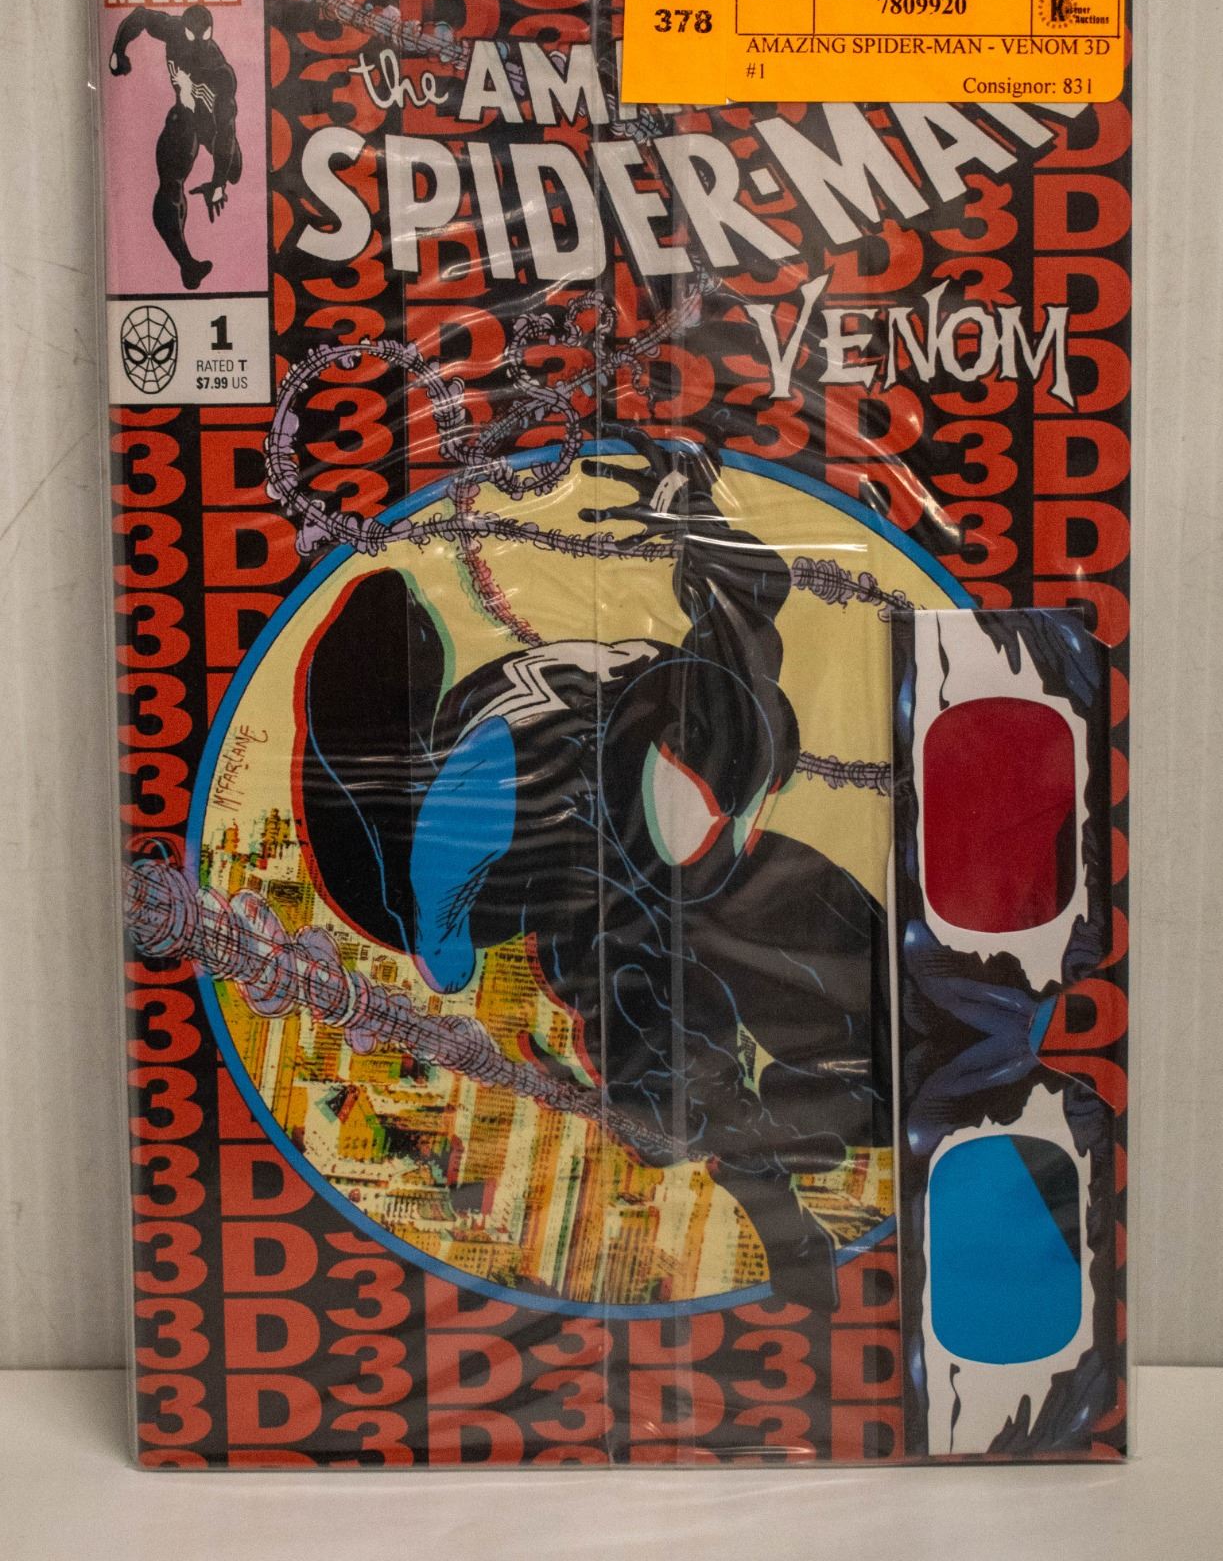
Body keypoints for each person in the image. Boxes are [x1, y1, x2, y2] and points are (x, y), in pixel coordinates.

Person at [298, 430, 891, 1310]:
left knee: (842, 991)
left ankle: (777, 1157)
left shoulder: (733, 717)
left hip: (663, 852)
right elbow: (439, 906)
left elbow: (750, 597)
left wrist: (695, 517)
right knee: (661, 1043)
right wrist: (443, 943)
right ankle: (766, 1192)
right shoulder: (510, 787)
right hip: (563, 869)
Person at [109, 4, 241, 290]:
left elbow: (226, 131)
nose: (197, 47)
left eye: (203, 39)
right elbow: (141, 17)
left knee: (234, 171)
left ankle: (224, 176)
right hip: (184, 117)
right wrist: (119, 50)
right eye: (192, 38)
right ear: (184, 30)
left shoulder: (221, 73)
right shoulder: (172, 30)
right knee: (170, 184)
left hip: (213, 124)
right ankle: (187, 265)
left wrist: (218, 182)